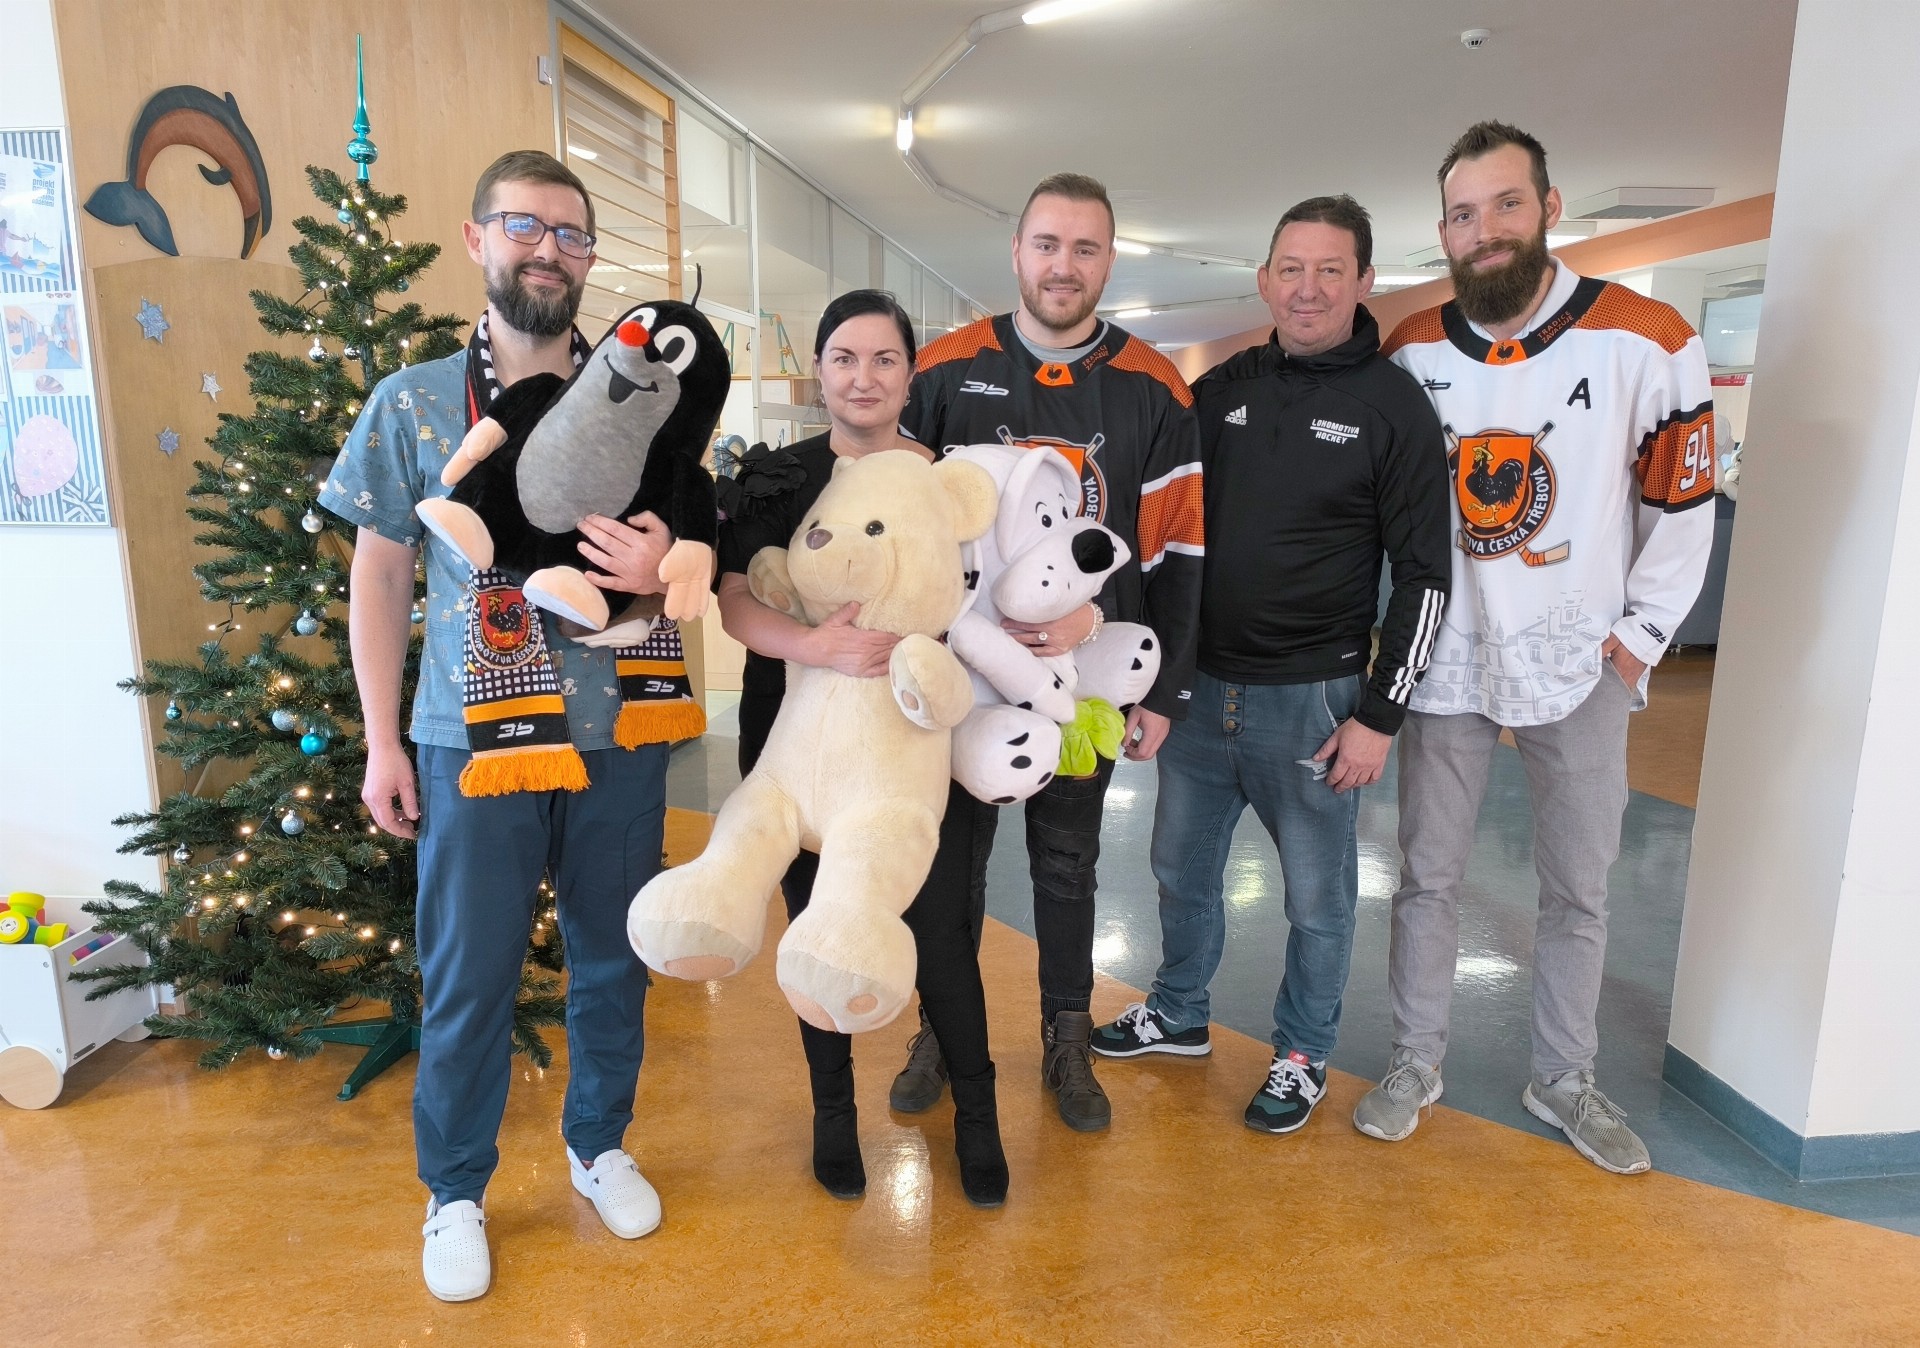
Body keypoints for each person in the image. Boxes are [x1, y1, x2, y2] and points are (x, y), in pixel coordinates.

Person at [331, 150, 678, 1302]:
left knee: (614, 957)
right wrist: (383, 740)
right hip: (468, 739)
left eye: (571, 234)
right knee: (470, 972)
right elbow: (381, 575)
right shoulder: (413, 402)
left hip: (615, 728)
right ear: (478, 238)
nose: (548, 250)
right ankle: (455, 1190)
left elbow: (684, 544)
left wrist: (664, 561)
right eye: (525, 226)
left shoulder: (644, 396)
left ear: (589, 259)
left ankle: (598, 1144)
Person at [1361, 122, 1715, 1173]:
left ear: (1550, 208)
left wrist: (1637, 641)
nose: (1486, 231)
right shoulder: (1411, 346)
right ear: (1443, 231)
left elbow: (1681, 503)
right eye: (1464, 215)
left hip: (1581, 661)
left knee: (1579, 888)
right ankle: (1414, 1059)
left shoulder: (1649, 337)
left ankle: (1563, 1074)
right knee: (1427, 876)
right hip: (1447, 661)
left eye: (1506, 204)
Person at [1088, 196, 1451, 1134]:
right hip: (1201, 693)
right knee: (1179, 871)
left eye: (1331, 270)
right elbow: (1164, 531)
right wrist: (1150, 677)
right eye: (1292, 268)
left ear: (1366, 281)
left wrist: (1379, 716)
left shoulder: (1394, 407)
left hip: (1316, 705)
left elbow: (1425, 575)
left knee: (1318, 901)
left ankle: (1302, 1053)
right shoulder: (1221, 391)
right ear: (1264, 279)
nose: (1309, 288)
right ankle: (1179, 1012)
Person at [893, 172, 1205, 1132]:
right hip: (963, 682)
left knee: (1068, 863)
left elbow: (1179, 548)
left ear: (1108, 261)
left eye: (1085, 248)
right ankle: (940, 1030)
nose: (1062, 266)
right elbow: (901, 527)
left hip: (1082, 680)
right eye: (1046, 244)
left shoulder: (1154, 387)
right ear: (1017, 251)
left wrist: (1159, 685)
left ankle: (1068, 1036)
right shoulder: (944, 369)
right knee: (952, 863)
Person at [715, 289, 1009, 1207]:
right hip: (796, 746)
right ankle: (833, 1115)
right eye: (844, 358)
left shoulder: (949, 482)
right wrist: (814, 645)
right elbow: (736, 599)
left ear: (911, 375)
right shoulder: (779, 477)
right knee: (819, 931)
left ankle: (978, 1115)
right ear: (819, 370)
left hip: (918, 746)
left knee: (943, 936)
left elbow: (998, 597)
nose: (863, 377)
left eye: (885, 359)